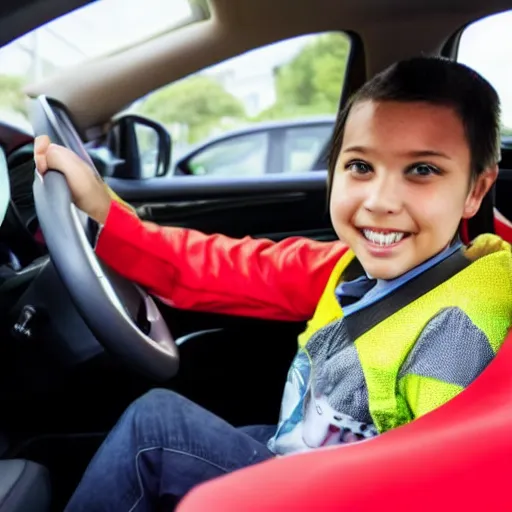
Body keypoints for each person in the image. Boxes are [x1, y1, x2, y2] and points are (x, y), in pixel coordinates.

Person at [34, 56, 512, 511]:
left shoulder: (457, 332)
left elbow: (443, 481)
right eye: (361, 167)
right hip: (305, 454)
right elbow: (232, 267)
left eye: (422, 170)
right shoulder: (347, 268)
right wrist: (104, 210)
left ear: (474, 190)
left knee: (156, 429)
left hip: (339, 493)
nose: (380, 201)